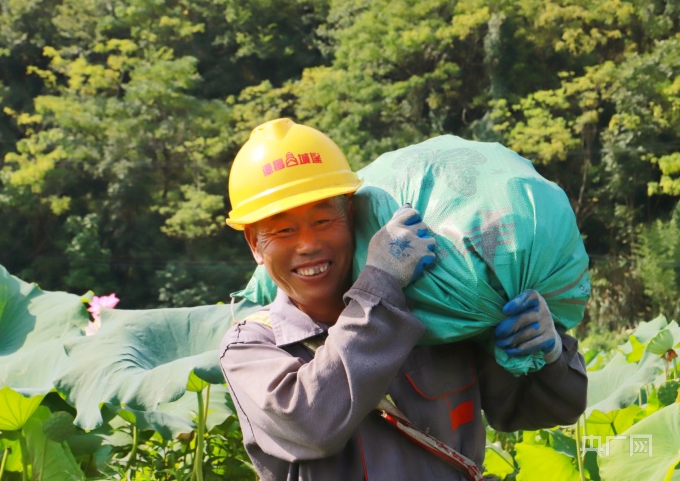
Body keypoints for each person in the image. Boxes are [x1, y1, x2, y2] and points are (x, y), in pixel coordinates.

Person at [219, 118, 588, 480]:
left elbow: (532, 412)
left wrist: (550, 352)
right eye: (283, 230)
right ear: (255, 244)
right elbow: (312, 424)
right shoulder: (251, 347)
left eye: (323, 221)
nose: (309, 244)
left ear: (351, 214)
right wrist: (380, 284)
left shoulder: (435, 310)